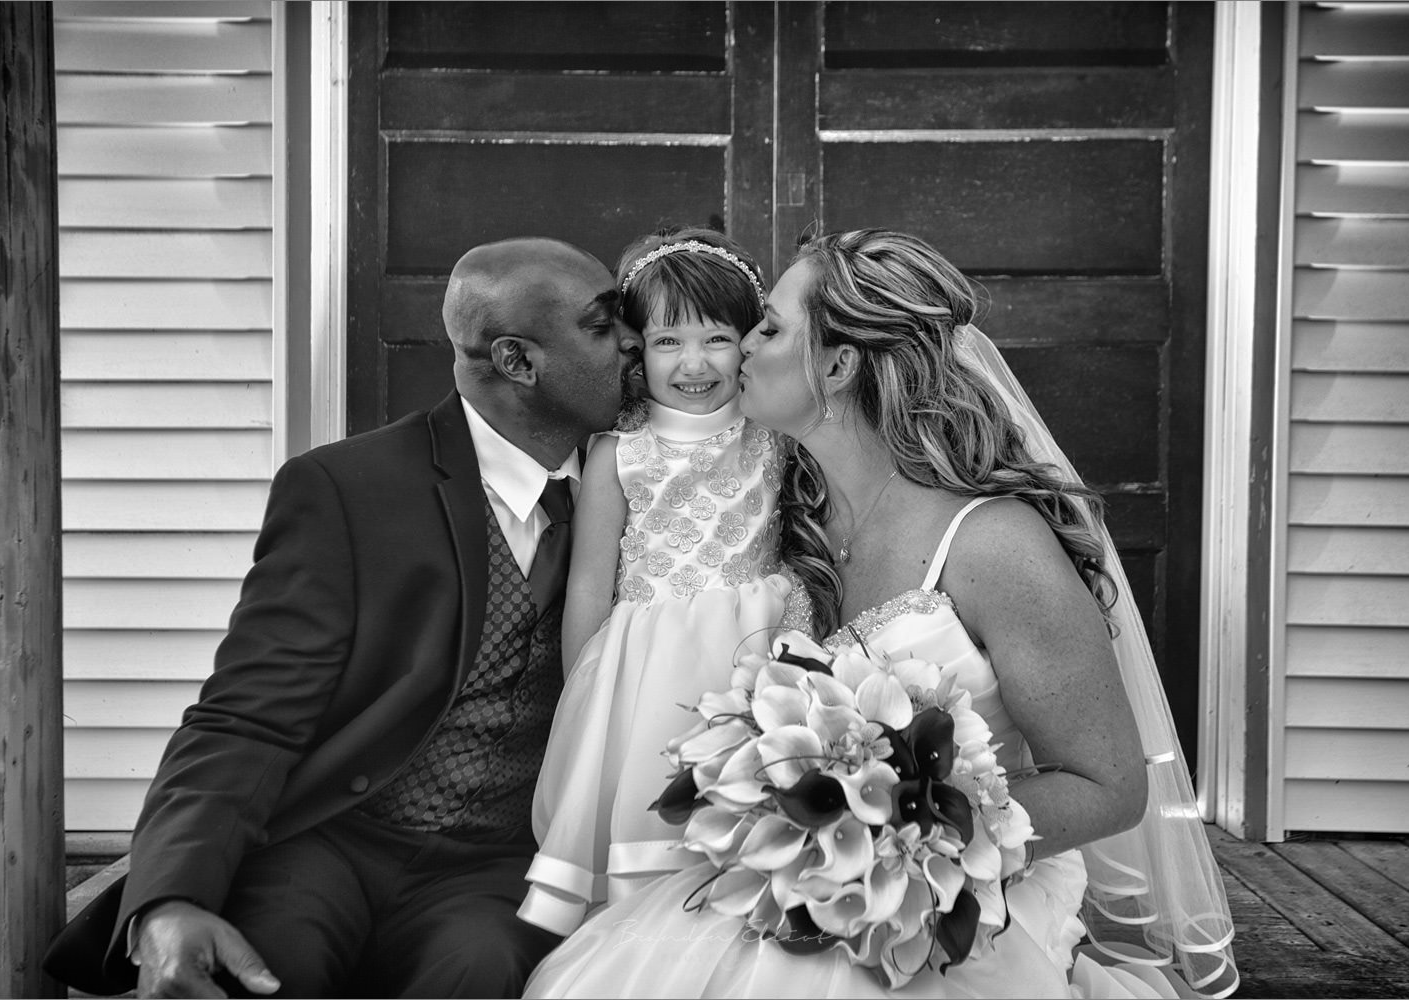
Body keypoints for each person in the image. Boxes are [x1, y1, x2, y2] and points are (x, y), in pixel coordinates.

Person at [523, 230, 1238, 998]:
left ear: (835, 366)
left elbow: (1110, 787)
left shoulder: (994, 544)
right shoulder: (790, 518)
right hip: (789, 876)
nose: (739, 348)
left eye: (767, 328)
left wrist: (882, 836)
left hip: (941, 901)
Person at [43, 237, 642, 999]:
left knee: (482, 971)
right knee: (263, 967)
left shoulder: (647, 496)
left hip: (497, 866)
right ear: (518, 361)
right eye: (602, 326)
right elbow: (246, 717)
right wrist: (170, 899)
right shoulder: (348, 489)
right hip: (330, 842)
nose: (633, 341)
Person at [518, 228, 807, 938]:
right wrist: (586, 692)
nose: (693, 363)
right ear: (636, 350)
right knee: (648, 813)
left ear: (750, 341)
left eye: (717, 339)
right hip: (645, 669)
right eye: (668, 341)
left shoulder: (774, 435)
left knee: (756, 816)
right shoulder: (621, 452)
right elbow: (590, 584)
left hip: (757, 651)